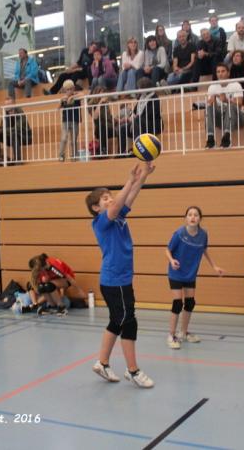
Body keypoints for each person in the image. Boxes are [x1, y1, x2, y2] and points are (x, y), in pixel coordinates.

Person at [86, 161, 155, 388]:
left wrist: (143, 175)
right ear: (96, 208)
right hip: (114, 280)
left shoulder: (117, 216)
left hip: (121, 279)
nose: (110, 200)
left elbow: (129, 197)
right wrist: (130, 179)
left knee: (117, 321)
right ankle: (133, 370)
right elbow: (117, 205)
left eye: (110, 196)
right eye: (105, 199)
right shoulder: (101, 222)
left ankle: (102, 363)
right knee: (129, 322)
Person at [165, 206, 224, 349]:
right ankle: (171, 335)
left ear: (200, 219)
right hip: (176, 272)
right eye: (190, 214)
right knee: (177, 303)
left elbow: (204, 250)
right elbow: (167, 250)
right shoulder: (179, 233)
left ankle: (183, 333)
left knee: (190, 303)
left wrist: (214, 266)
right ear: (186, 218)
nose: (193, 217)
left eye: (196, 215)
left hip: (190, 274)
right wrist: (172, 260)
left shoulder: (203, 234)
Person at [205, 63, 244, 149]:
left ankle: (227, 138)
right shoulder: (212, 87)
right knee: (208, 108)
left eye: (223, 71)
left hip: (238, 119)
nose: (220, 74)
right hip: (221, 118)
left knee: (231, 106)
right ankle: (210, 138)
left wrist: (226, 100)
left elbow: (239, 103)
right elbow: (210, 105)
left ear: (228, 73)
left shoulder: (236, 84)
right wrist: (213, 100)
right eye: (218, 72)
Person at [117, 78, 163, 154]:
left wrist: (137, 118)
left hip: (151, 124)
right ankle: (121, 152)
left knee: (137, 121)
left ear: (145, 88)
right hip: (138, 123)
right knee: (122, 128)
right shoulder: (141, 97)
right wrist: (132, 115)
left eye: (140, 88)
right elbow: (135, 111)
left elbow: (151, 114)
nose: (139, 90)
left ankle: (137, 150)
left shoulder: (154, 98)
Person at [0, 98, 32, 165]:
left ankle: (18, 160)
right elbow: (2, 127)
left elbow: (17, 128)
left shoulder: (20, 112)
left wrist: (2, 130)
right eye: (6, 105)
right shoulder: (5, 113)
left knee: (14, 133)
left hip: (25, 137)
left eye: (9, 104)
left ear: (14, 104)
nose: (7, 106)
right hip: (12, 138)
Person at [58, 79, 81, 161]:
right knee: (64, 138)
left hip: (75, 120)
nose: (69, 91)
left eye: (71, 89)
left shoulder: (76, 96)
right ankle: (61, 155)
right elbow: (58, 108)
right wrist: (61, 100)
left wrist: (71, 97)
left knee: (73, 140)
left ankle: (74, 156)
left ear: (73, 88)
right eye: (67, 89)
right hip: (65, 121)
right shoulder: (64, 98)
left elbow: (82, 94)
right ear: (65, 90)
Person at [89, 87, 114, 156]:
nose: (104, 94)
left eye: (104, 93)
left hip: (109, 127)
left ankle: (103, 150)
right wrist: (100, 103)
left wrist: (119, 120)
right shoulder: (91, 104)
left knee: (105, 126)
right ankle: (103, 150)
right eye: (102, 92)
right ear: (97, 93)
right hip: (99, 129)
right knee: (102, 126)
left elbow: (110, 117)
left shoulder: (106, 103)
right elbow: (95, 116)